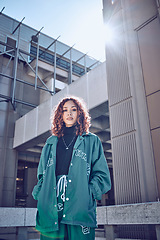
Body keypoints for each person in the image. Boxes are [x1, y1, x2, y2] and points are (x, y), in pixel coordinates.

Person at [32, 96, 111, 240]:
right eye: (65, 110)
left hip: (79, 207)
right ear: (60, 115)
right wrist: (40, 193)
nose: (69, 113)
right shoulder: (50, 143)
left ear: (79, 113)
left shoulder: (91, 141)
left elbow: (101, 174)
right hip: (50, 207)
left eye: (73, 109)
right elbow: (42, 175)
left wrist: (88, 193)